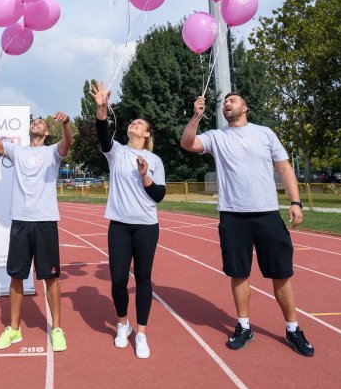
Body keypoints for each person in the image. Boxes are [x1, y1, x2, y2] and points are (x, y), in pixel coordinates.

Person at [180, 92, 315, 357]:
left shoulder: (265, 133)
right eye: (225, 102)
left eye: (233, 100)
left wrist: (296, 202)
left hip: (267, 214)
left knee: (281, 273)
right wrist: (196, 116)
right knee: (238, 273)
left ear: (246, 107)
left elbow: (285, 168)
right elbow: (187, 143)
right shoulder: (217, 137)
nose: (227, 103)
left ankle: (292, 328)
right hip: (232, 215)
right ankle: (244, 326)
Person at [0, 103, 73, 352]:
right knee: (16, 275)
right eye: (34, 121)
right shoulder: (17, 151)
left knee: (50, 277)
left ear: (46, 132)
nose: (36, 123)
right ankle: (14, 330)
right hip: (20, 221)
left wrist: (66, 123)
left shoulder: (52, 153)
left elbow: (67, 143)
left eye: (41, 123)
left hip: (45, 221)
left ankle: (57, 328)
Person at [90, 81, 166, 359]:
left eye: (140, 123)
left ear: (146, 134)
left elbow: (158, 195)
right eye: (133, 121)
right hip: (119, 225)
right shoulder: (117, 152)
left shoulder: (155, 160)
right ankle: (123, 324)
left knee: (144, 279)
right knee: (119, 279)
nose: (135, 123)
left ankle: (142, 334)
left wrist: (146, 174)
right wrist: (101, 107)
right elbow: (101, 134)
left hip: (146, 226)